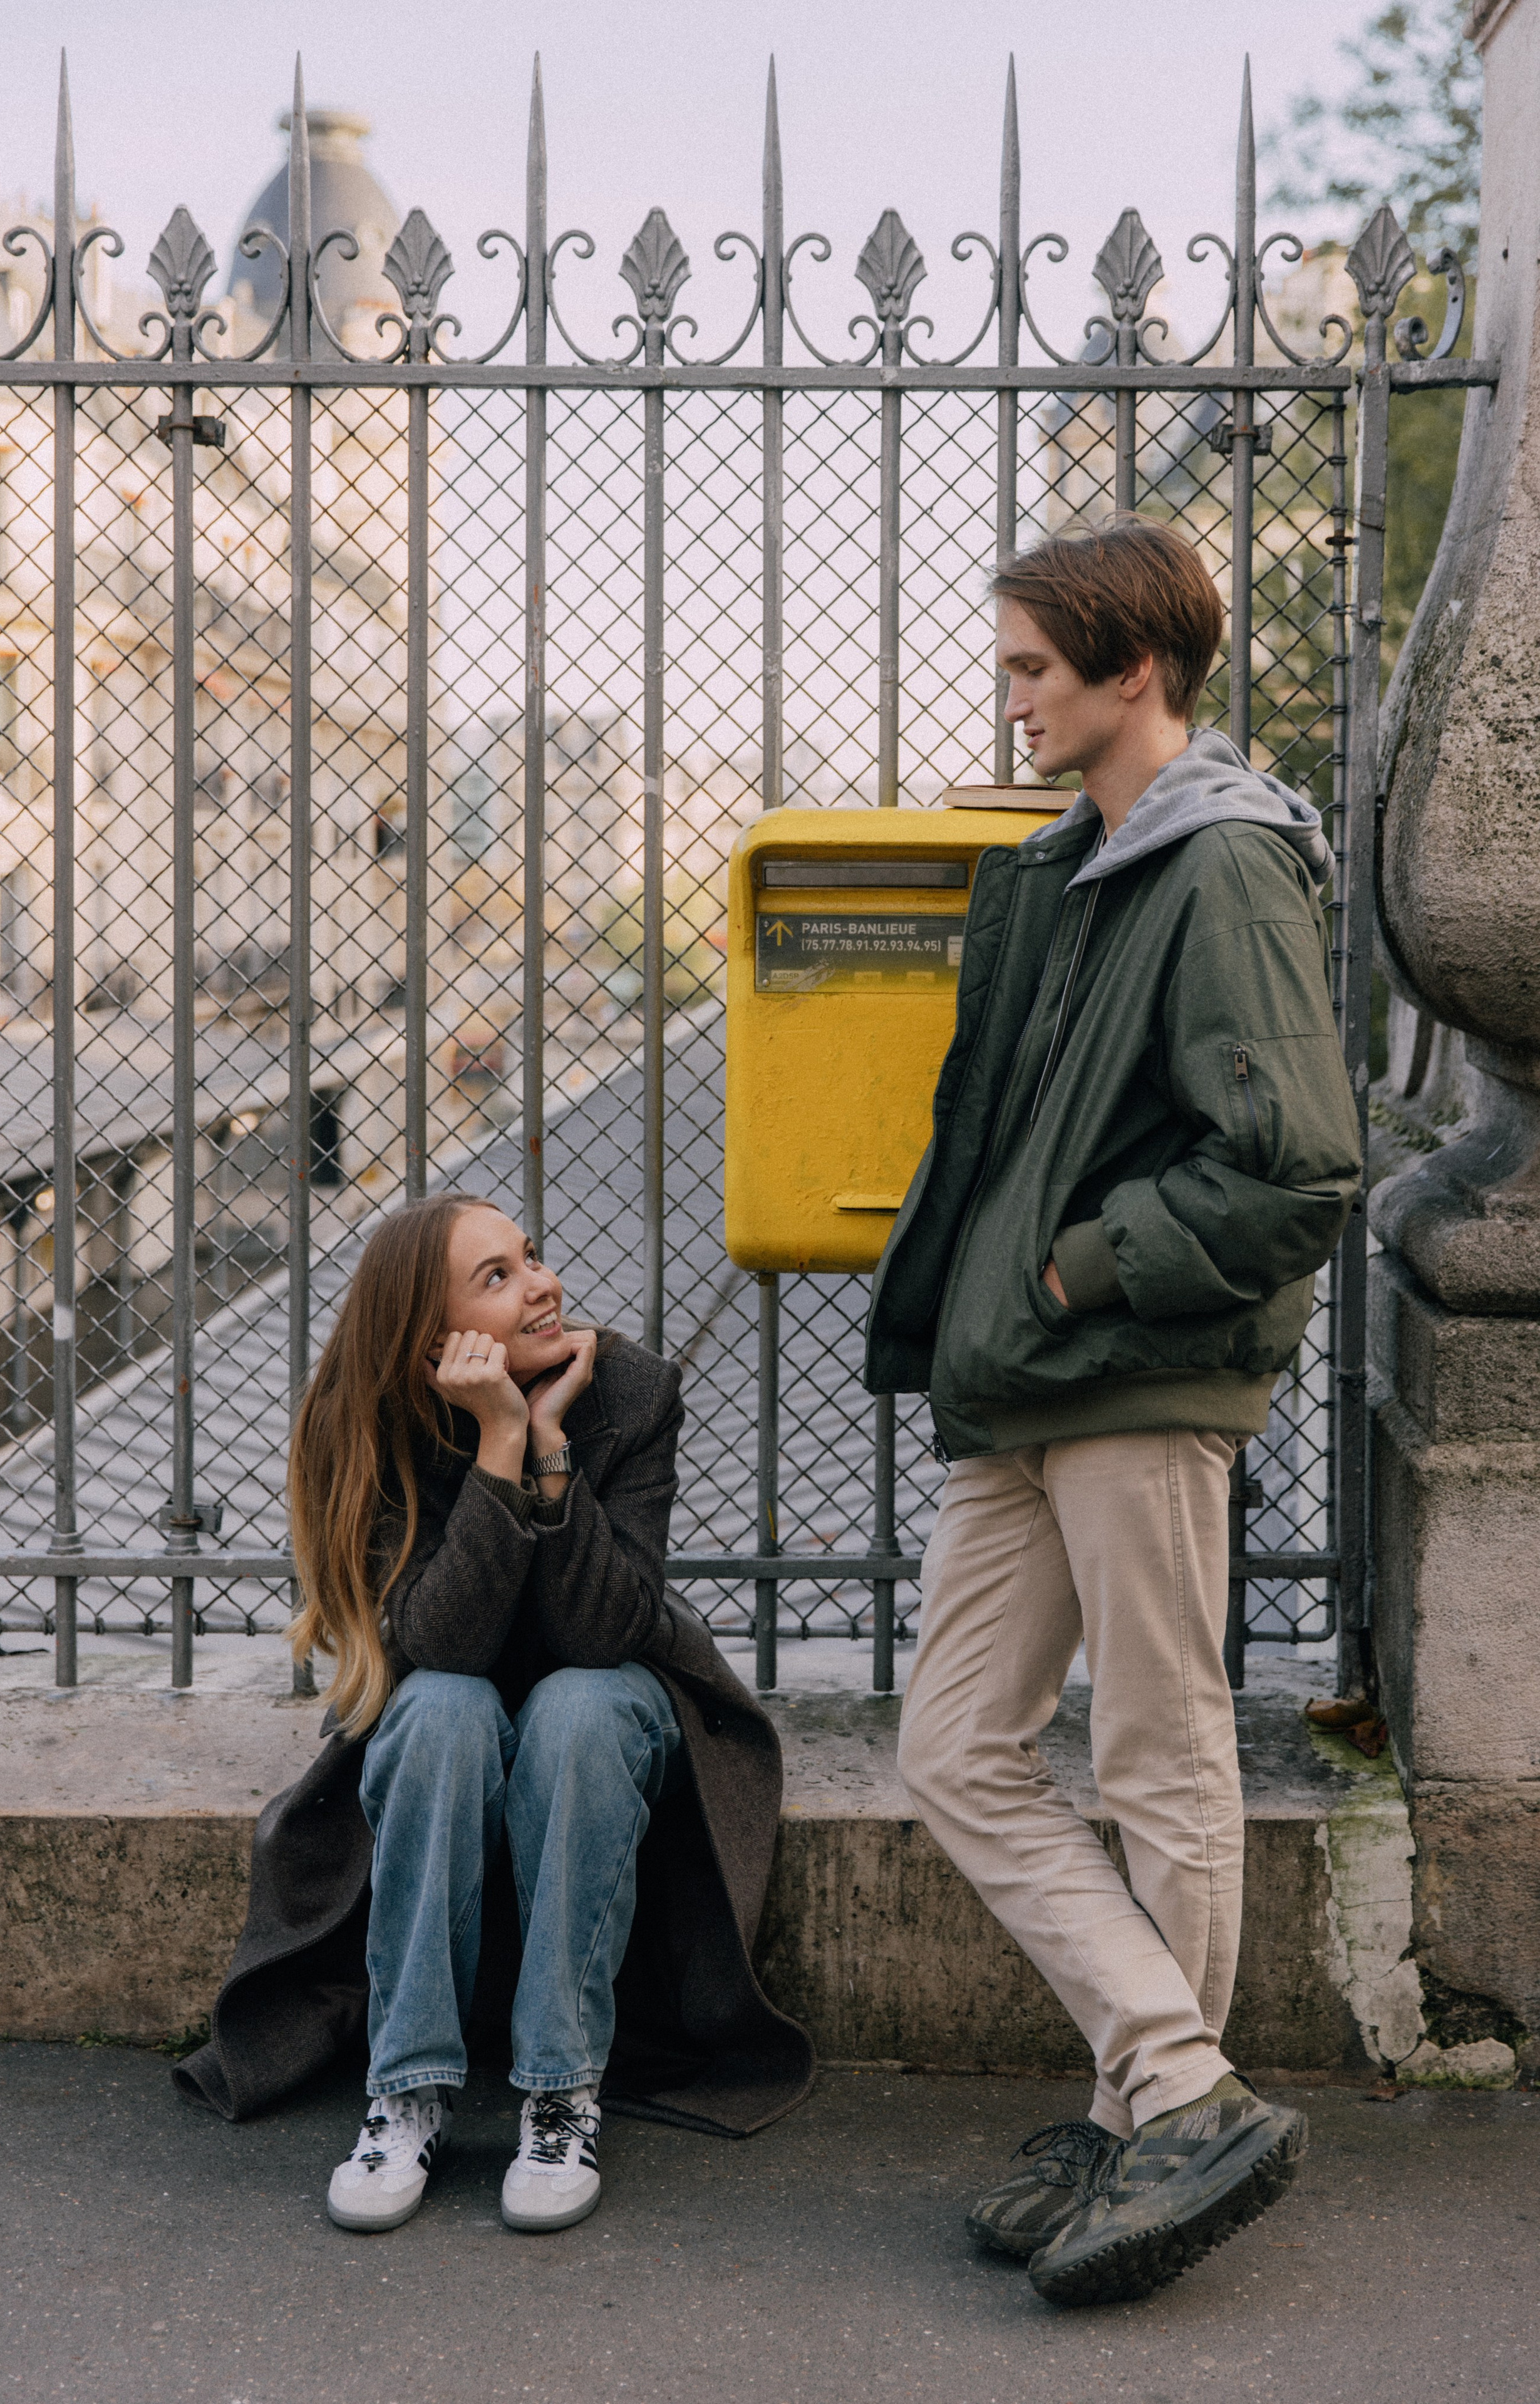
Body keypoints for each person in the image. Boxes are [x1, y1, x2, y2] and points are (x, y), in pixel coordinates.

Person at [864, 517, 1362, 2306]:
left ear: (1129, 672)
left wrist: (1080, 1270)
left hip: (1131, 1366)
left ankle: (1154, 2103)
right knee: (955, 1742)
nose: (1007, 700)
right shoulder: (1074, 863)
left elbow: (1294, 1166)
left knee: (1159, 1748)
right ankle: (1175, 2080)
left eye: (1030, 669)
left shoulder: (1221, 866)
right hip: (1028, 1377)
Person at [175, 1192, 812, 2232]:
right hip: (444, 1712)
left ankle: (560, 2091)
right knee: (442, 1710)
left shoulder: (633, 1391)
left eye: (531, 1256)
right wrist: (500, 1441)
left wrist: (552, 1449)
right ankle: (409, 2087)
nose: (543, 1282)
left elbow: (606, 1631)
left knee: (580, 1709)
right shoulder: (369, 1417)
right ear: (436, 1339)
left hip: (613, 1710)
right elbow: (445, 1645)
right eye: (499, 1277)